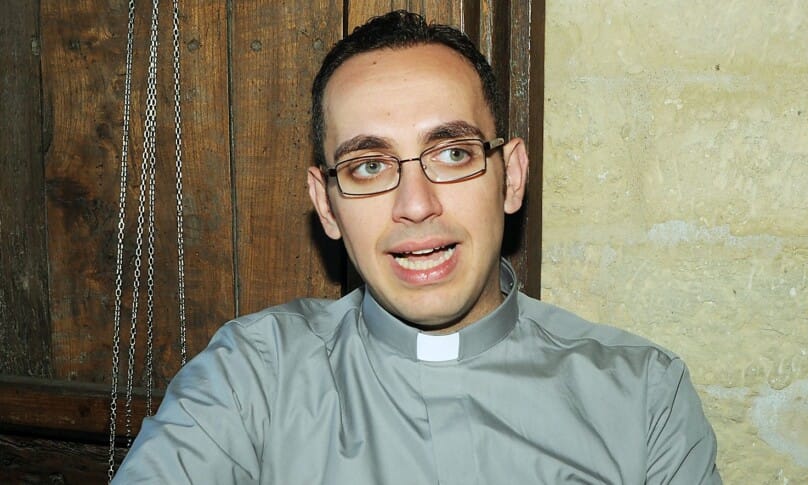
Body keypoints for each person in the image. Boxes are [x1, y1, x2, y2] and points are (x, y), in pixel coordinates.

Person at [113, 10, 721, 484]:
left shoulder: (643, 395)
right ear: (327, 204)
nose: (415, 204)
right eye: (369, 166)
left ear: (510, 177)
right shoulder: (250, 379)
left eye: (452, 154)